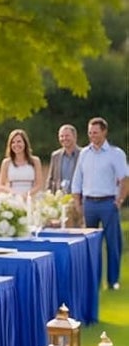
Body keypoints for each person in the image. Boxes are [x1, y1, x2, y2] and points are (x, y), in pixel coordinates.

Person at [71, 117, 129, 289]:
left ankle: (113, 281)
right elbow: (77, 180)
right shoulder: (84, 154)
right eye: (90, 132)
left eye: (95, 132)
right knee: (90, 245)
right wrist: (78, 203)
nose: (92, 136)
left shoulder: (115, 153)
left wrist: (119, 200)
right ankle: (93, 280)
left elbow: (125, 179)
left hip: (108, 203)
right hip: (89, 204)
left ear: (104, 132)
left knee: (113, 243)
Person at [0, 129, 42, 198]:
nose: (16, 145)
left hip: (31, 197)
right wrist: (13, 193)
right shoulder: (6, 162)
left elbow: (39, 184)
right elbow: (0, 185)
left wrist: (27, 194)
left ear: (25, 143)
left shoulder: (35, 161)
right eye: (13, 142)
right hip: (12, 197)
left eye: (19, 141)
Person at [46, 124, 81, 195]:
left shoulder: (83, 154)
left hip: (78, 197)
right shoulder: (55, 155)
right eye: (61, 136)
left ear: (75, 137)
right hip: (60, 198)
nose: (64, 138)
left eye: (67, 136)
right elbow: (50, 178)